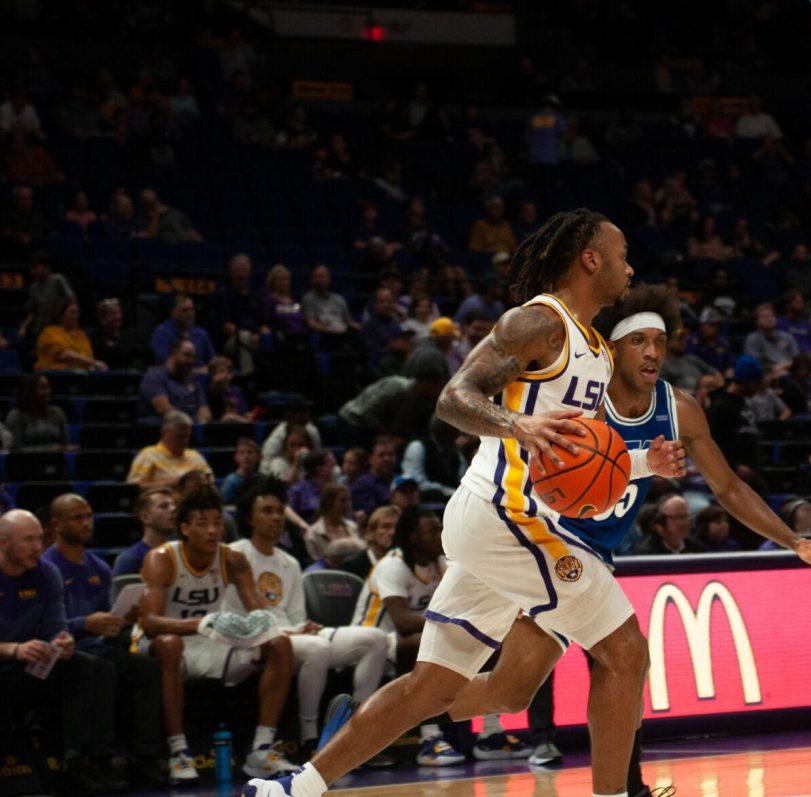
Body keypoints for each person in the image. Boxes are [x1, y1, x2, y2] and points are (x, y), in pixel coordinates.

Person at [239, 210, 728, 797]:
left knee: (440, 688)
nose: (631, 266)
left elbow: (582, 459)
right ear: (590, 259)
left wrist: (646, 464)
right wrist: (517, 424)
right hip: (505, 515)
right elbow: (454, 398)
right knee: (625, 652)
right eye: (622, 253)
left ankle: (294, 787)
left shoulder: (595, 349)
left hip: (510, 525)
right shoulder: (540, 321)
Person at [531, 286, 811, 790]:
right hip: (543, 537)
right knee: (617, 658)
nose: (654, 351)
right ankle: (599, 773)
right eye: (639, 341)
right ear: (611, 348)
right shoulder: (582, 402)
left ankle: (613, 777)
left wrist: (794, 541)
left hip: (595, 549)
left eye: (660, 341)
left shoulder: (679, 409)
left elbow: (727, 487)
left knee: (601, 667)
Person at [133, 486, 299, 784]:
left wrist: (257, 625)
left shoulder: (232, 559)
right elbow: (149, 623)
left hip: (208, 640)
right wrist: (199, 623)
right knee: (169, 645)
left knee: (279, 644)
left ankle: (261, 751)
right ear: (184, 528)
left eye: (217, 523)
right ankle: (178, 752)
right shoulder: (161, 558)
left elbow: (259, 610)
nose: (212, 531)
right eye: (202, 524)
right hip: (164, 642)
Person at [351, 508, 528, 765]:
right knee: (421, 643)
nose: (439, 535)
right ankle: (429, 738)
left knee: (486, 639)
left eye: (440, 528)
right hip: (375, 639)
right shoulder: (392, 565)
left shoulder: (439, 562)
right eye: (431, 531)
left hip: (416, 637)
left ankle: (490, 733)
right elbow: (402, 621)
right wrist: (458, 623)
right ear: (413, 537)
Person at [229, 483, 389, 758]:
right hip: (255, 640)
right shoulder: (234, 554)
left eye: (280, 511)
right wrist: (294, 630)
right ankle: (310, 740)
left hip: (291, 634)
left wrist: (303, 627)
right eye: (267, 511)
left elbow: (295, 617)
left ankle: (357, 735)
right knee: (317, 648)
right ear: (248, 518)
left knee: (375, 639)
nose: (277, 517)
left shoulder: (289, 562)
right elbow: (240, 617)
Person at [41, 495, 165, 786]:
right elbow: (48, 627)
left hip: (97, 647)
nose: (86, 523)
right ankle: (92, 758)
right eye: (77, 518)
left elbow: (107, 624)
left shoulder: (99, 567)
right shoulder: (48, 567)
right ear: (56, 524)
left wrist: (122, 620)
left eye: (88, 515)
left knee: (144, 667)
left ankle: (145, 757)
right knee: (99, 668)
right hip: (65, 651)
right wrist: (86, 624)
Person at [0, 509, 125, 794]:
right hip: (6, 664)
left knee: (93, 667)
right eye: (28, 540)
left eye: (39, 539)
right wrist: (14, 649)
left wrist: (63, 642)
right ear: (3, 543)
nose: (38, 548)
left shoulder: (47, 573)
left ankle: (86, 759)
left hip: (29, 665)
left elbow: (56, 629)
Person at [127, 411, 213, 489]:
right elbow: (133, 488)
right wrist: (170, 483)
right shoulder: (148, 455)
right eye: (179, 436)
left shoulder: (195, 456)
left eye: (187, 436)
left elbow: (210, 483)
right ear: (164, 433)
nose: (184, 441)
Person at [139, 339, 211, 421]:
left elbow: (204, 408)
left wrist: (201, 423)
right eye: (187, 355)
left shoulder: (192, 379)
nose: (191, 361)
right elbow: (164, 409)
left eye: (193, 357)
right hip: (167, 427)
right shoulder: (154, 376)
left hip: (193, 428)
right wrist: (190, 423)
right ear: (173, 354)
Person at [113, 488, 176, 576]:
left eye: (174, 505)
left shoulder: (182, 555)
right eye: (164, 506)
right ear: (145, 517)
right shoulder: (130, 560)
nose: (173, 509)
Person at [400, 418, 466, 501]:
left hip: (452, 501)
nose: (457, 436)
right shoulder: (418, 447)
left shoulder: (455, 453)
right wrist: (448, 491)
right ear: (441, 430)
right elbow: (416, 482)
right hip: (425, 503)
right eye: (454, 430)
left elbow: (463, 479)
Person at [34, 298, 104, 372]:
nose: (76, 316)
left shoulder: (81, 334)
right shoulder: (49, 332)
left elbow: (88, 355)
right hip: (56, 374)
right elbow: (63, 355)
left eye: (77, 312)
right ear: (61, 315)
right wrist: (94, 362)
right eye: (72, 313)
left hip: (81, 374)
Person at [335, 504, 397, 581]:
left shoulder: (405, 564)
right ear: (369, 533)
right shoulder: (350, 567)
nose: (393, 532)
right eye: (386, 527)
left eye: (396, 527)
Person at [6, 372, 68, 449]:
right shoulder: (16, 415)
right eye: (43, 388)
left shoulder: (58, 412)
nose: (48, 391)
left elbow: (65, 445)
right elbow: (16, 450)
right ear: (29, 392)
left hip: (56, 459)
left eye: (48, 387)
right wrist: (49, 448)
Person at [304, 484, 362, 565]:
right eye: (342, 501)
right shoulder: (313, 533)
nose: (348, 505)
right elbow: (315, 562)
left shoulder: (352, 526)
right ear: (329, 503)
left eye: (349, 500)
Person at [150, 294, 215, 365]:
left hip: (203, 374)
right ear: (173, 312)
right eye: (185, 310)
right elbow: (164, 364)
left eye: (192, 309)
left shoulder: (201, 333)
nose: (190, 314)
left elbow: (213, 361)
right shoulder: (162, 333)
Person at [302, 264, 360, 344]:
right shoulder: (308, 299)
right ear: (311, 280)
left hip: (344, 335)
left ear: (329, 278)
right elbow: (311, 323)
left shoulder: (339, 299)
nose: (319, 280)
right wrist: (329, 329)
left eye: (322, 276)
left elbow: (348, 321)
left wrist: (361, 329)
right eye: (316, 277)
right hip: (325, 336)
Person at [743, 301, 799, 377]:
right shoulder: (752, 339)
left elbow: (796, 358)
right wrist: (775, 369)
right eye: (764, 317)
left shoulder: (787, 337)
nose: (769, 319)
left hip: (790, 370)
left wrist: (783, 367)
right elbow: (755, 365)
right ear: (757, 321)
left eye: (771, 316)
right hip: (767, 374)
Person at [635, 495, 704, 555]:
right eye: (677, 517)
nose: (683, 522)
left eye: (686, 516)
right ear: (661, 521)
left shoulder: (697, 549)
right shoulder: (646, 553)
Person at [91, 297, 142, 370]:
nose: (118, 317)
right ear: (102, 319)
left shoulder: (131, 336)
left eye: (119, 313)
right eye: (113, 314)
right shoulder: (95, 338)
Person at [351, 437, 397, 517]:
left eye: (391, 455)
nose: (387, 459)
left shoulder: (400, 481)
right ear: (371, 459)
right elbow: (372, 516)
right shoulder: (362, 485)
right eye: (381, 455)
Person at [222, 438, 266, 505]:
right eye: (242, 452)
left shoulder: (262, 479)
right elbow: (225, 505)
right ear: (236, 457)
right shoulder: (231, 481)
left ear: (258, 457)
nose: (246, 456)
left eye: (250, 452)